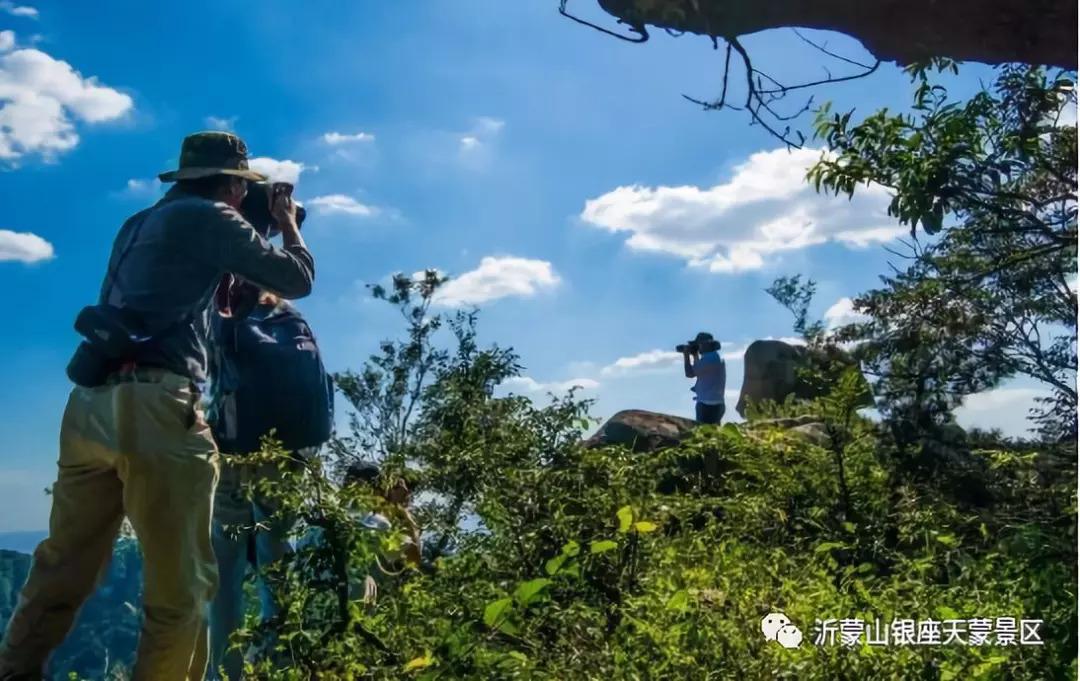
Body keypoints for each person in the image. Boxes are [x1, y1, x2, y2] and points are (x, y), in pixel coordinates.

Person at [0, 131, 315, 681]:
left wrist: (231, 278)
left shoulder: (138, 224)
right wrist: (287, 225)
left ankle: (16, 669)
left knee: (61, 568)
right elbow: (296, 279)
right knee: (182, 589)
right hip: (157, 406)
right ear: (234, 188)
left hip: (90, 406)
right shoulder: (212, 217)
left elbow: (177, 298)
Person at [205, 283, 329, 681]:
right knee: (277, 557)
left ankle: (226, 672)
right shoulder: (290, 316)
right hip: (286, 455)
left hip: (234, 453)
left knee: (225, 567)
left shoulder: (217, 310)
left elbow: (206, 377)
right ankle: (282, 663)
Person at [682, 332, 726, 424]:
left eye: (699, 344)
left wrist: (686, 355)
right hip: (716, 403)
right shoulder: (714, 357)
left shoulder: (709, 359)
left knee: (704, 434)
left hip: (707, 405)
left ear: (706, 344)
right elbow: (701, 372)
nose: (698, 347)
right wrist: (695, 355)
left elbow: (689, 373)